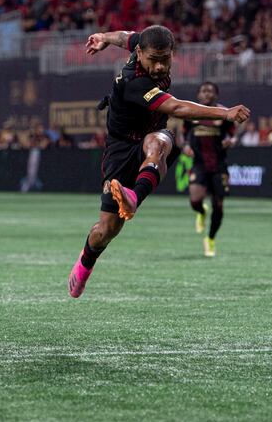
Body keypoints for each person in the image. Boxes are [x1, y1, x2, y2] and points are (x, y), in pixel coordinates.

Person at [68, 25, 250, 298]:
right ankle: (85, 263)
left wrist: (104, 38)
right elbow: (177, 107)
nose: (160, 66)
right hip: (120, 148)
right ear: (140, 54)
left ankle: (133, 196)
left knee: (161, 142)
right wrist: (224, 113)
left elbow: (124, 37)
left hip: (151, 135)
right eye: (154, 60)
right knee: (106, 230)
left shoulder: (143, 44)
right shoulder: (135, 82)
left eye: (165, 59)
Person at [181, 82, 236, 257]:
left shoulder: (224, 113)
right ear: (198, 95)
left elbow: (233, 135)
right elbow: (185, 136)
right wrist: (186, 146)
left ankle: (211, 238)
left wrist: (230, 141)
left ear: (216, 95)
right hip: (199, 163)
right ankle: (202, 212)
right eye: (204, 91)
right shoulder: (190, 113)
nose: (207, 94)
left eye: (211, 91)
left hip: (219, 165)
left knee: (218, 206)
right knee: (195, 201)